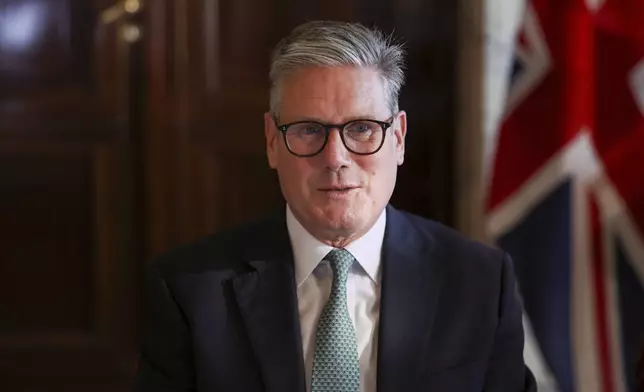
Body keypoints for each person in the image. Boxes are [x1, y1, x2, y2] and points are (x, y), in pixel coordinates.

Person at [134, 20, 536, 392]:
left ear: (397, 138)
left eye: (361, 129)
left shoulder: (479, 282)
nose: (335, 157)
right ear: (273, 142)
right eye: (309, 130)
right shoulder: (189, 290)